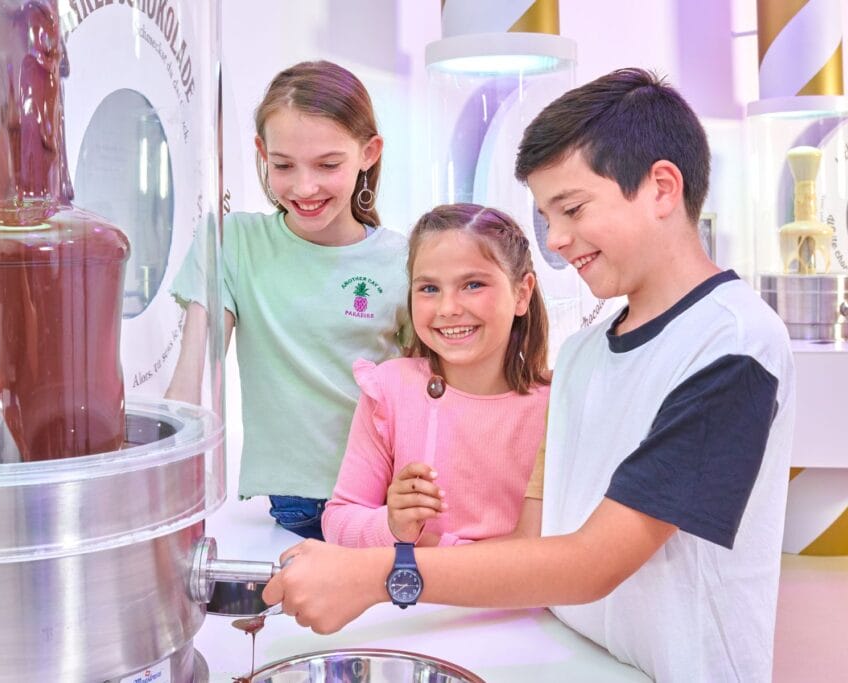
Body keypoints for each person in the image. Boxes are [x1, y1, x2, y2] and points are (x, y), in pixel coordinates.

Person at [263, 68, 794, 683]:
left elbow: (593, 562)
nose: (558, 239)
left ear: (661, 188)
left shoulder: (729, 346)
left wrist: (382, 575)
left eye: (571, 209)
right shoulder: (585, 355)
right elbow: (533, 543)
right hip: (571, 657)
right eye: (546, 218)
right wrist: (388, 538)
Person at [167, 61, 410, 541]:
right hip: (299, 503)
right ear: (261, 153)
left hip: (389, 495)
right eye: (282, 166)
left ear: (368, 153)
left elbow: (429, 388)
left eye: (327, 164)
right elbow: (188, 383)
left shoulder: (403, 259)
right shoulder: (232, 242)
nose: (304, 187)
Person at [322, 204, 550, 548]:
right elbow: (339, 520)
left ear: (522, 292)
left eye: (473, 284)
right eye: (429, 289)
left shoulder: (554, 406)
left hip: (516, 599)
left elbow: (559, 545)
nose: (448, 309)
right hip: (409, 600)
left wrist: (443, 550)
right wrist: (393, 524)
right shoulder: (389, 389)